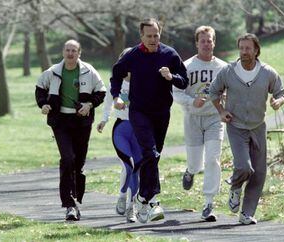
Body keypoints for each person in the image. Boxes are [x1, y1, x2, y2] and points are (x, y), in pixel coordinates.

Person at [110, 18, 189, 223]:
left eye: (156, 35)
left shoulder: (170, 54)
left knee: (154, 157)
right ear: (141, 36)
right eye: (149, 36)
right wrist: (116, 95)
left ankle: (141, 199)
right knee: (149, 152)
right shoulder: (133, 56)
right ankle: (152, 201)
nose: (153, 39)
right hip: (139, 112)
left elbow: (184, 81)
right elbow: (116, 74)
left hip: (162, 113)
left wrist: (171, 77)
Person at [209, 33, 284, 225]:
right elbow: (213, 91)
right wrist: (221, 110)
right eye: (241, 48)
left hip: (258, 127)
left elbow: (281, 92)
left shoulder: (267, 72)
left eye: (248, 48)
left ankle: (246, 213)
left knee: (259, 173)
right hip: (236, 126)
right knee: (244, 166)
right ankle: (235, 187)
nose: (244, 52)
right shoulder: (228, 71)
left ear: (256, 50)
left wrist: (278, 101)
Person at [35, 39, 106, 221]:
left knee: (78, 163)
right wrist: (43, 105)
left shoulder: (89, 71)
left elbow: (101, 91)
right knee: (67, 159)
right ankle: (69, 204)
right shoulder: (53, 72)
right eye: (67, 50)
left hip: (81, 122)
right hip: (61, 121)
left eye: (74, 50)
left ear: (79, 53)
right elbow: (39, 89)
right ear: (63, 52)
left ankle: (76, 197)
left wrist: (89, 104)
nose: (70, 53)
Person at [173, 26, 226, 222]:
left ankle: (208, 203)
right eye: (202, 40)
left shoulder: (223, 68)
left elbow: (230, 91)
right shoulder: (186, 66)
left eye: (209, 40)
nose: (206, 44)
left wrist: (226, 99)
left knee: (213, 159)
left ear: (214, 42)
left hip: (214, 118)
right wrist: (191, 101)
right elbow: (176, 93)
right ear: (196, 43)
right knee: (196, 163)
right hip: (193, 118)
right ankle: (190, 172)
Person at [96, 47, 141, 223]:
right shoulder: (116, 83)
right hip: (121, 129)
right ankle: (123, 195)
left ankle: (131, 206)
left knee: (135, 169)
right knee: (128, 165)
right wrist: (104, 120)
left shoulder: (141, 82)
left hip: (139, 130)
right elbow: (108, 103)